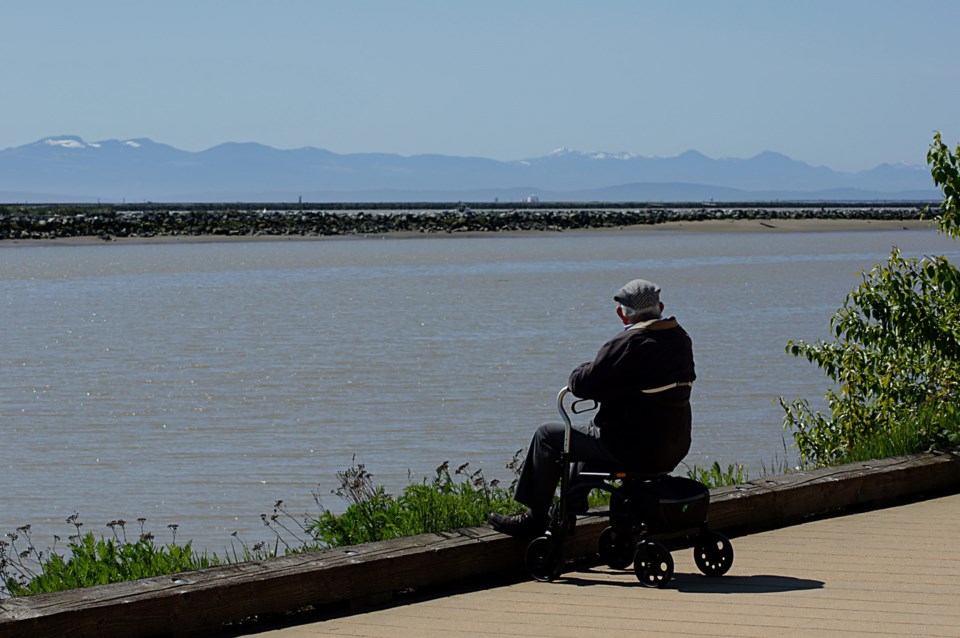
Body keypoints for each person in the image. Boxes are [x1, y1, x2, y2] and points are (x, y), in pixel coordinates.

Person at [488, 278, 696, 537]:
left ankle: (535, 518)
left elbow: (582, 383)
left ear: (622, 313)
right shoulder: (680, 339)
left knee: (548, 436)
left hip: (632, 448)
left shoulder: (629, 343)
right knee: (587, 434)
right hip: (672, 446)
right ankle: (569, 506)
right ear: (661, 306)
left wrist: (581, 369)